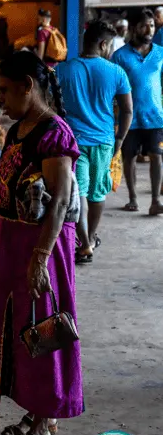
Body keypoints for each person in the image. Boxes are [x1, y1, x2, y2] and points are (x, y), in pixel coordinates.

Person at [0, 51, 83, 435]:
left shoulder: (54, 134)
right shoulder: (17, 129)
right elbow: (4, 199)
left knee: (42, 333)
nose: (0, 98)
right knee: (10, 331)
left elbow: (58, 203)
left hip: (42, 245)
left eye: (5, 90)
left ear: (28, 86)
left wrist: (40, 257)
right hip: (10, 244)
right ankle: (37, 411)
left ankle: (45, 424)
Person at [57, 21, 133, 263]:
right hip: (103, 142)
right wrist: (120, 138)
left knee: (78, 191)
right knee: (97, 192)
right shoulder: (116, 72)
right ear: (102, 44)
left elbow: (52, 107)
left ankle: (84, 244)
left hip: (72, 142)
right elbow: (127, 110)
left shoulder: (62, 70)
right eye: (109, 45)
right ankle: (90, 237)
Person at [112, 9, 163, 215]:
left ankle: (155, 201)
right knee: (129, 158)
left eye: (151, 25)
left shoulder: (160, 53)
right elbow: (113, 88)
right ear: (133, 29)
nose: (149, 29)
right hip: (129, 118)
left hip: (156, 117)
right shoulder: (120, 56)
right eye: (144, 25)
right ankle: (132, 198)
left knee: (157, 157)